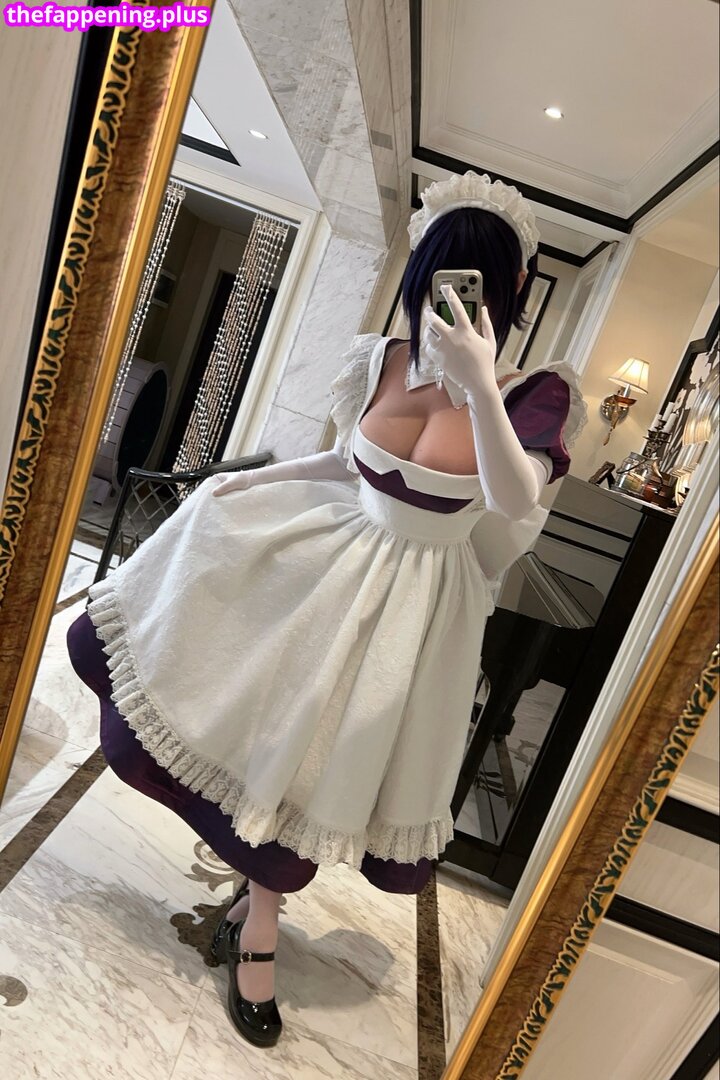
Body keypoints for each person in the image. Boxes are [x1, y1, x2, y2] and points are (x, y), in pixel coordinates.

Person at [67, 171, 587, 1049]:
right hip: (330, 564)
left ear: (512, 290)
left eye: (476, 282)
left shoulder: (532, 394)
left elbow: (511, 497)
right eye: (440, 275)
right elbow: (348, 466)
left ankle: (257, 923)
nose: (451, 300)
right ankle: (256, 926)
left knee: (318, 766)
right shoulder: (383, 358)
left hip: (413, 614)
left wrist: (477, 384)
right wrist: (238, 485)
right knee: (265, 734)